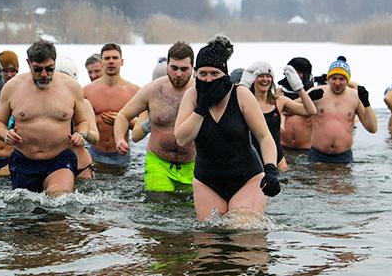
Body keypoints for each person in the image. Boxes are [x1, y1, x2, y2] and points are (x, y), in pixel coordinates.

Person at [174, 36, 280, 222]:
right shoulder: (192, 96)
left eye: (214, 74)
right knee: (210, 240)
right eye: (203, 74)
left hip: (247, 178)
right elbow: (182, 139)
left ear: (225, 74)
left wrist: (271, 170)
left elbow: (264, 137)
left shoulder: (240, 94)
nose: (208, 79)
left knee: (242, 232)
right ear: (196, 74)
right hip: (207, 181)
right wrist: (201, 108)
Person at [0, 39, 88, 195]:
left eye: (49, 69)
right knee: (24, 215)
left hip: (60, 159)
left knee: (59, 200)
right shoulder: (12, 87)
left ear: (55, 63)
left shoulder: (71, 87)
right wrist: (5, 134)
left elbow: (82, 122)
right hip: (23, 160)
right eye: (37, 70)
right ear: (28, 63)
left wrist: (80, 134)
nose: (44, 74)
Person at [114, 42, 196, 194]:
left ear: (192, 68)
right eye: (174, 68)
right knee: (158, 205)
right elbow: (123, 115)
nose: (178, 74)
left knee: (188, 212)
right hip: (158, 162)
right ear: (167, 66)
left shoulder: (200, 92)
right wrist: (120, 139)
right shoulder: (153, 90)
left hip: (192, 165)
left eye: (184, 69)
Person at [239, 61, 316, 171]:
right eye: (260, 76)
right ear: (253, 79)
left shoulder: (279, 101)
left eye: (268, 76)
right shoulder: (244, 102)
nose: (265, 79)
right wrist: (243, 87)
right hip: (251, 158)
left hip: (277, 158)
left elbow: (310, 111)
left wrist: (299, 88)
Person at [308, 58, 378, 163]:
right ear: (328, 79)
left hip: (343, 157)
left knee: (343, 180)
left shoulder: (355, 97)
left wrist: (366, 103)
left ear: (347, 80)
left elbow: (372, 128)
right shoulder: (316, 92)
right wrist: (307, 98)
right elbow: (292, 107)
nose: (337, 83)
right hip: (317, 155)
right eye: (334, 78)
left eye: (341, 79)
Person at [83, 44, 139, 169]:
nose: (111, 62)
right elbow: (78, 122)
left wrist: (122, 120)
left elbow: (146, 125)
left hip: (121, 154)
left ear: (122, 61)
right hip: (94, 153)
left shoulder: (134, 91)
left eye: (115, 58)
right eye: (107, 58)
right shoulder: (87, 91)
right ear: (101, 62)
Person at [56, 55, 99, 179]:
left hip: (81, 166)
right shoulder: (44, 104)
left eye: (66, 80)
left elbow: (95, 138)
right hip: (54, 165)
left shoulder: (83, 104)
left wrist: (82, 133)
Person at [278, 57, 317, 151]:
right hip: (284, 148)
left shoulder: (315, 94)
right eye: (293, 72)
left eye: (299, 72)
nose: (296, 76)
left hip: (307, 150)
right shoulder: (279, 92)